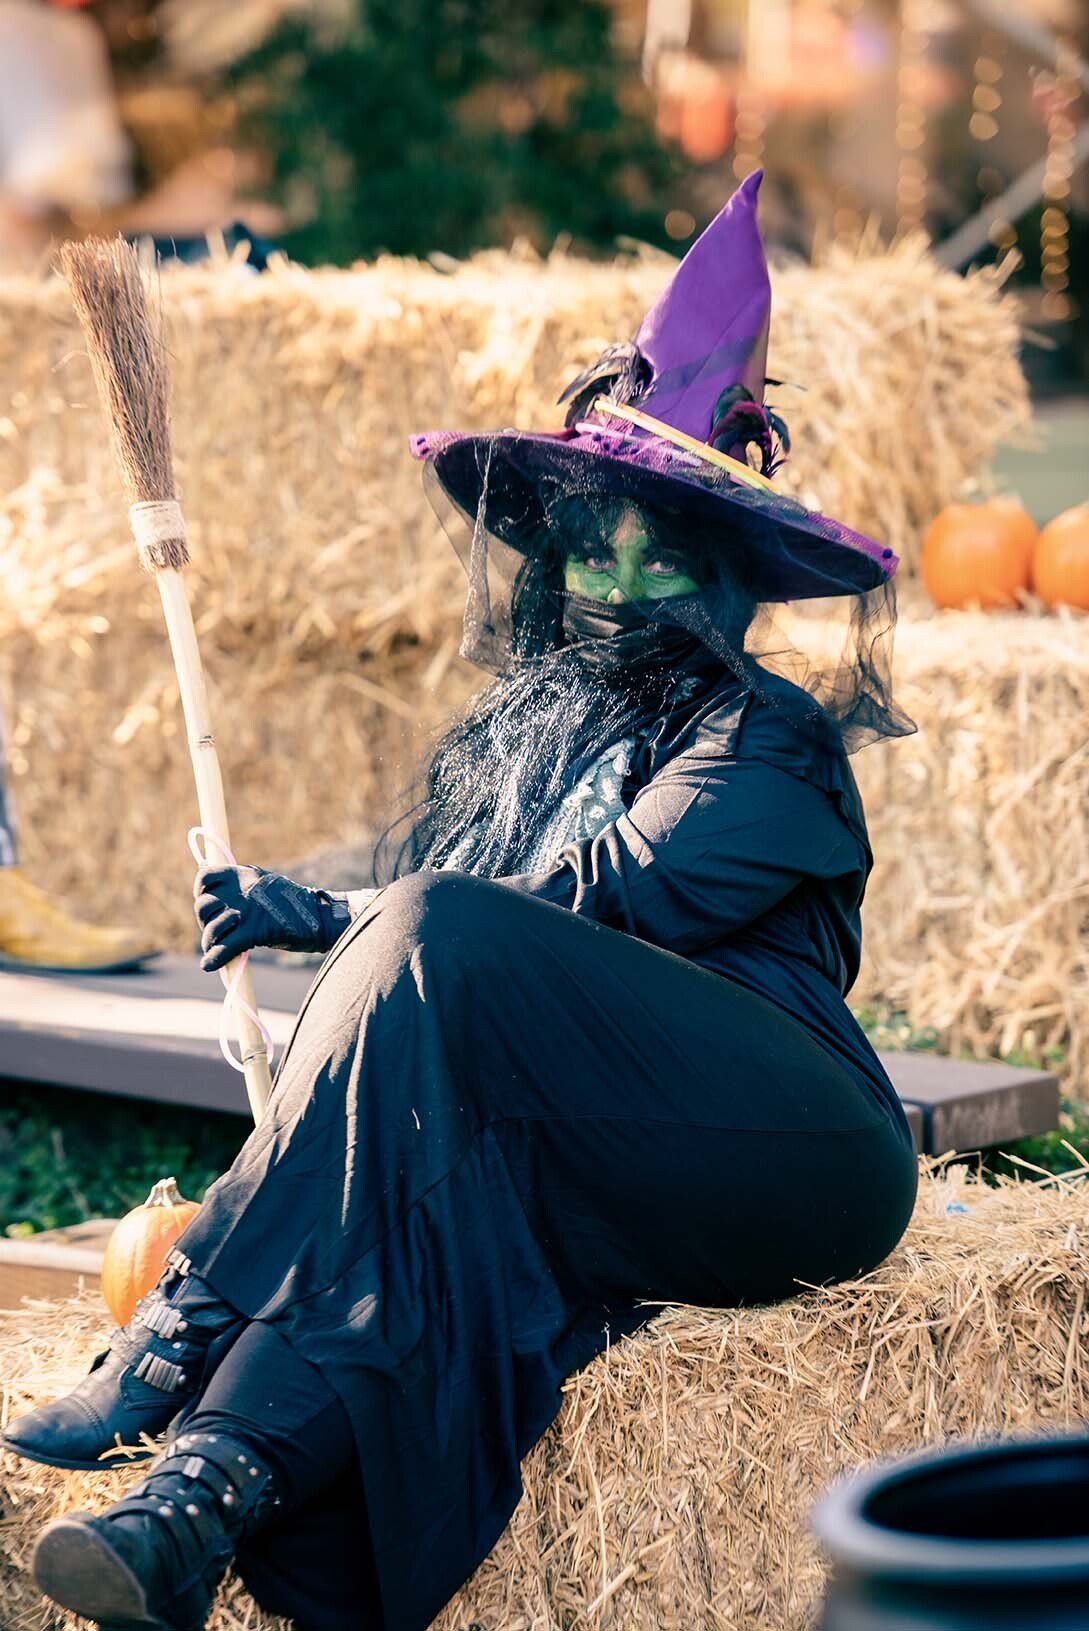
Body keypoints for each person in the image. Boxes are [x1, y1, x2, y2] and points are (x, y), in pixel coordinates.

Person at [4, 171, 920, 1631]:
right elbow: (470, 940)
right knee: (411, 1219)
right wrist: (321, 910)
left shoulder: (767, 739)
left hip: (793, 1155)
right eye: (589, 539)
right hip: (600, 1149)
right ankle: (194, 1506)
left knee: (424, 929)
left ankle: (184, 1325)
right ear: (546, 552)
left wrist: (340, 916)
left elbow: (586, 904)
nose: (620, 576)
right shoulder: (528, 736)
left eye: (664, 548)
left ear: (728, 575)